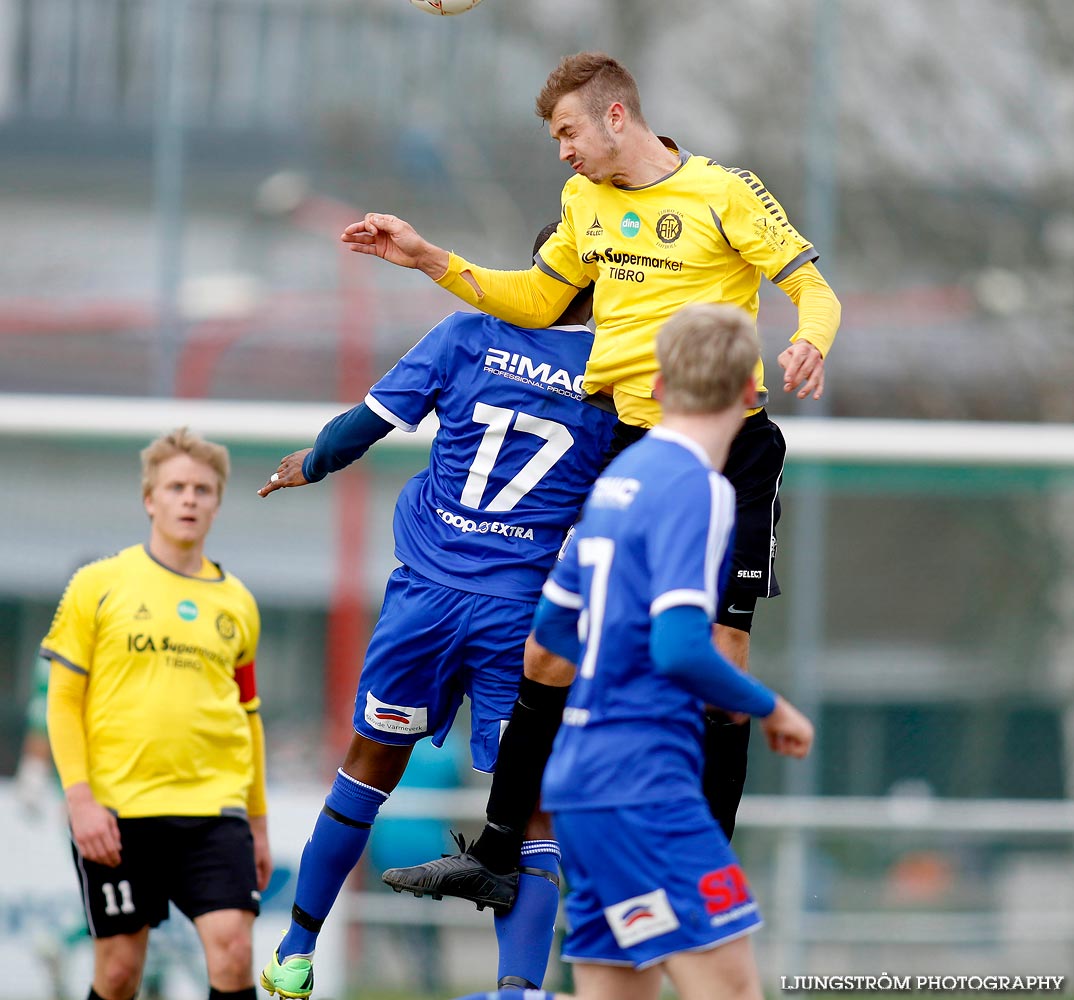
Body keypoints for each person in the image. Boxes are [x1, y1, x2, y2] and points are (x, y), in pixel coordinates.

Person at [345, 49, 839, 913]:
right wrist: (430, 260)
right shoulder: (583, 203)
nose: (562, 151)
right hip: (626, 444)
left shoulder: (724, 192)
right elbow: (538, 301)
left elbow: (815, 290)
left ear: (617, 116)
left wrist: (811, 339)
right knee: (550, 645)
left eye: (568, 131)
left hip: (729, 453)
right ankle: (499, 855)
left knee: (717, 662)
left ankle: (701, 879)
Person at [256, 225, 617, 999]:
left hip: (427, 598)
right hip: (523, 616)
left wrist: (310, 461)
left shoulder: (465, 334)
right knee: (531, 807)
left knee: (368, 767)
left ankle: (295, 951)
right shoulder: (617, 371)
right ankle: (518, 989)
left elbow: (370, 424)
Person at [452, 303, 815, 1000]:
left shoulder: (617, 481)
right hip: (646, 783)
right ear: (750, 392)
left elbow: (551, 638)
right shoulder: (701, 489)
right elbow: (682, 645)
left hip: (581, 783)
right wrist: (769, 708)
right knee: (731, 989)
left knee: (618, 988)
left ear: (654, 383)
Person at [42, 428, 270, 1000]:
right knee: (119, 972)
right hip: (119, 813)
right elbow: (63, 700)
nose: (189, 499)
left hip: (215, 810)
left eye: (202, 489)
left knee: (235, 951)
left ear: (218, 502)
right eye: (176, 487)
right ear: (150, 499)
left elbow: (248, 715)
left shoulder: (238, 603)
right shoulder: (97, 585)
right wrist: (80, 801)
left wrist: (259, 823)